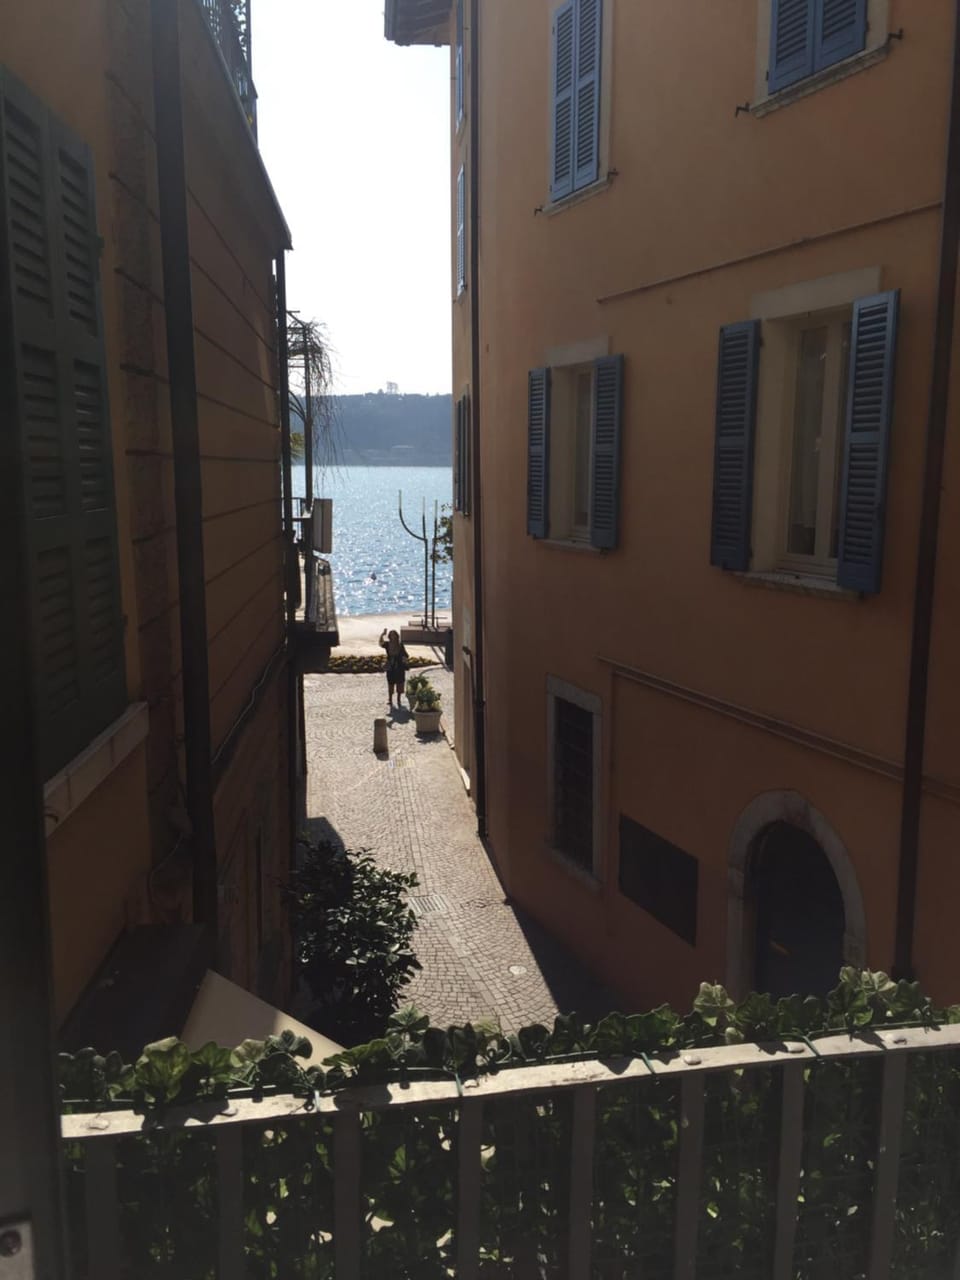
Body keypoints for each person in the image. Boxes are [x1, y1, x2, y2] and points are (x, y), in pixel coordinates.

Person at [379, 628, 409, 708]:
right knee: (390, 683)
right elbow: (380, 643)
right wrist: (382, 634)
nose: (393, 637)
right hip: (391, 666)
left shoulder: (400, 645)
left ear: (397, 636)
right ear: (389, 636)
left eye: (394, 635)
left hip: (399, 667)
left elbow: (406, 655)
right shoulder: (387, 644)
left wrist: (405, 660)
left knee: (400, 683)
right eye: (391, 635)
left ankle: (398, 699)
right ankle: (390, 699)